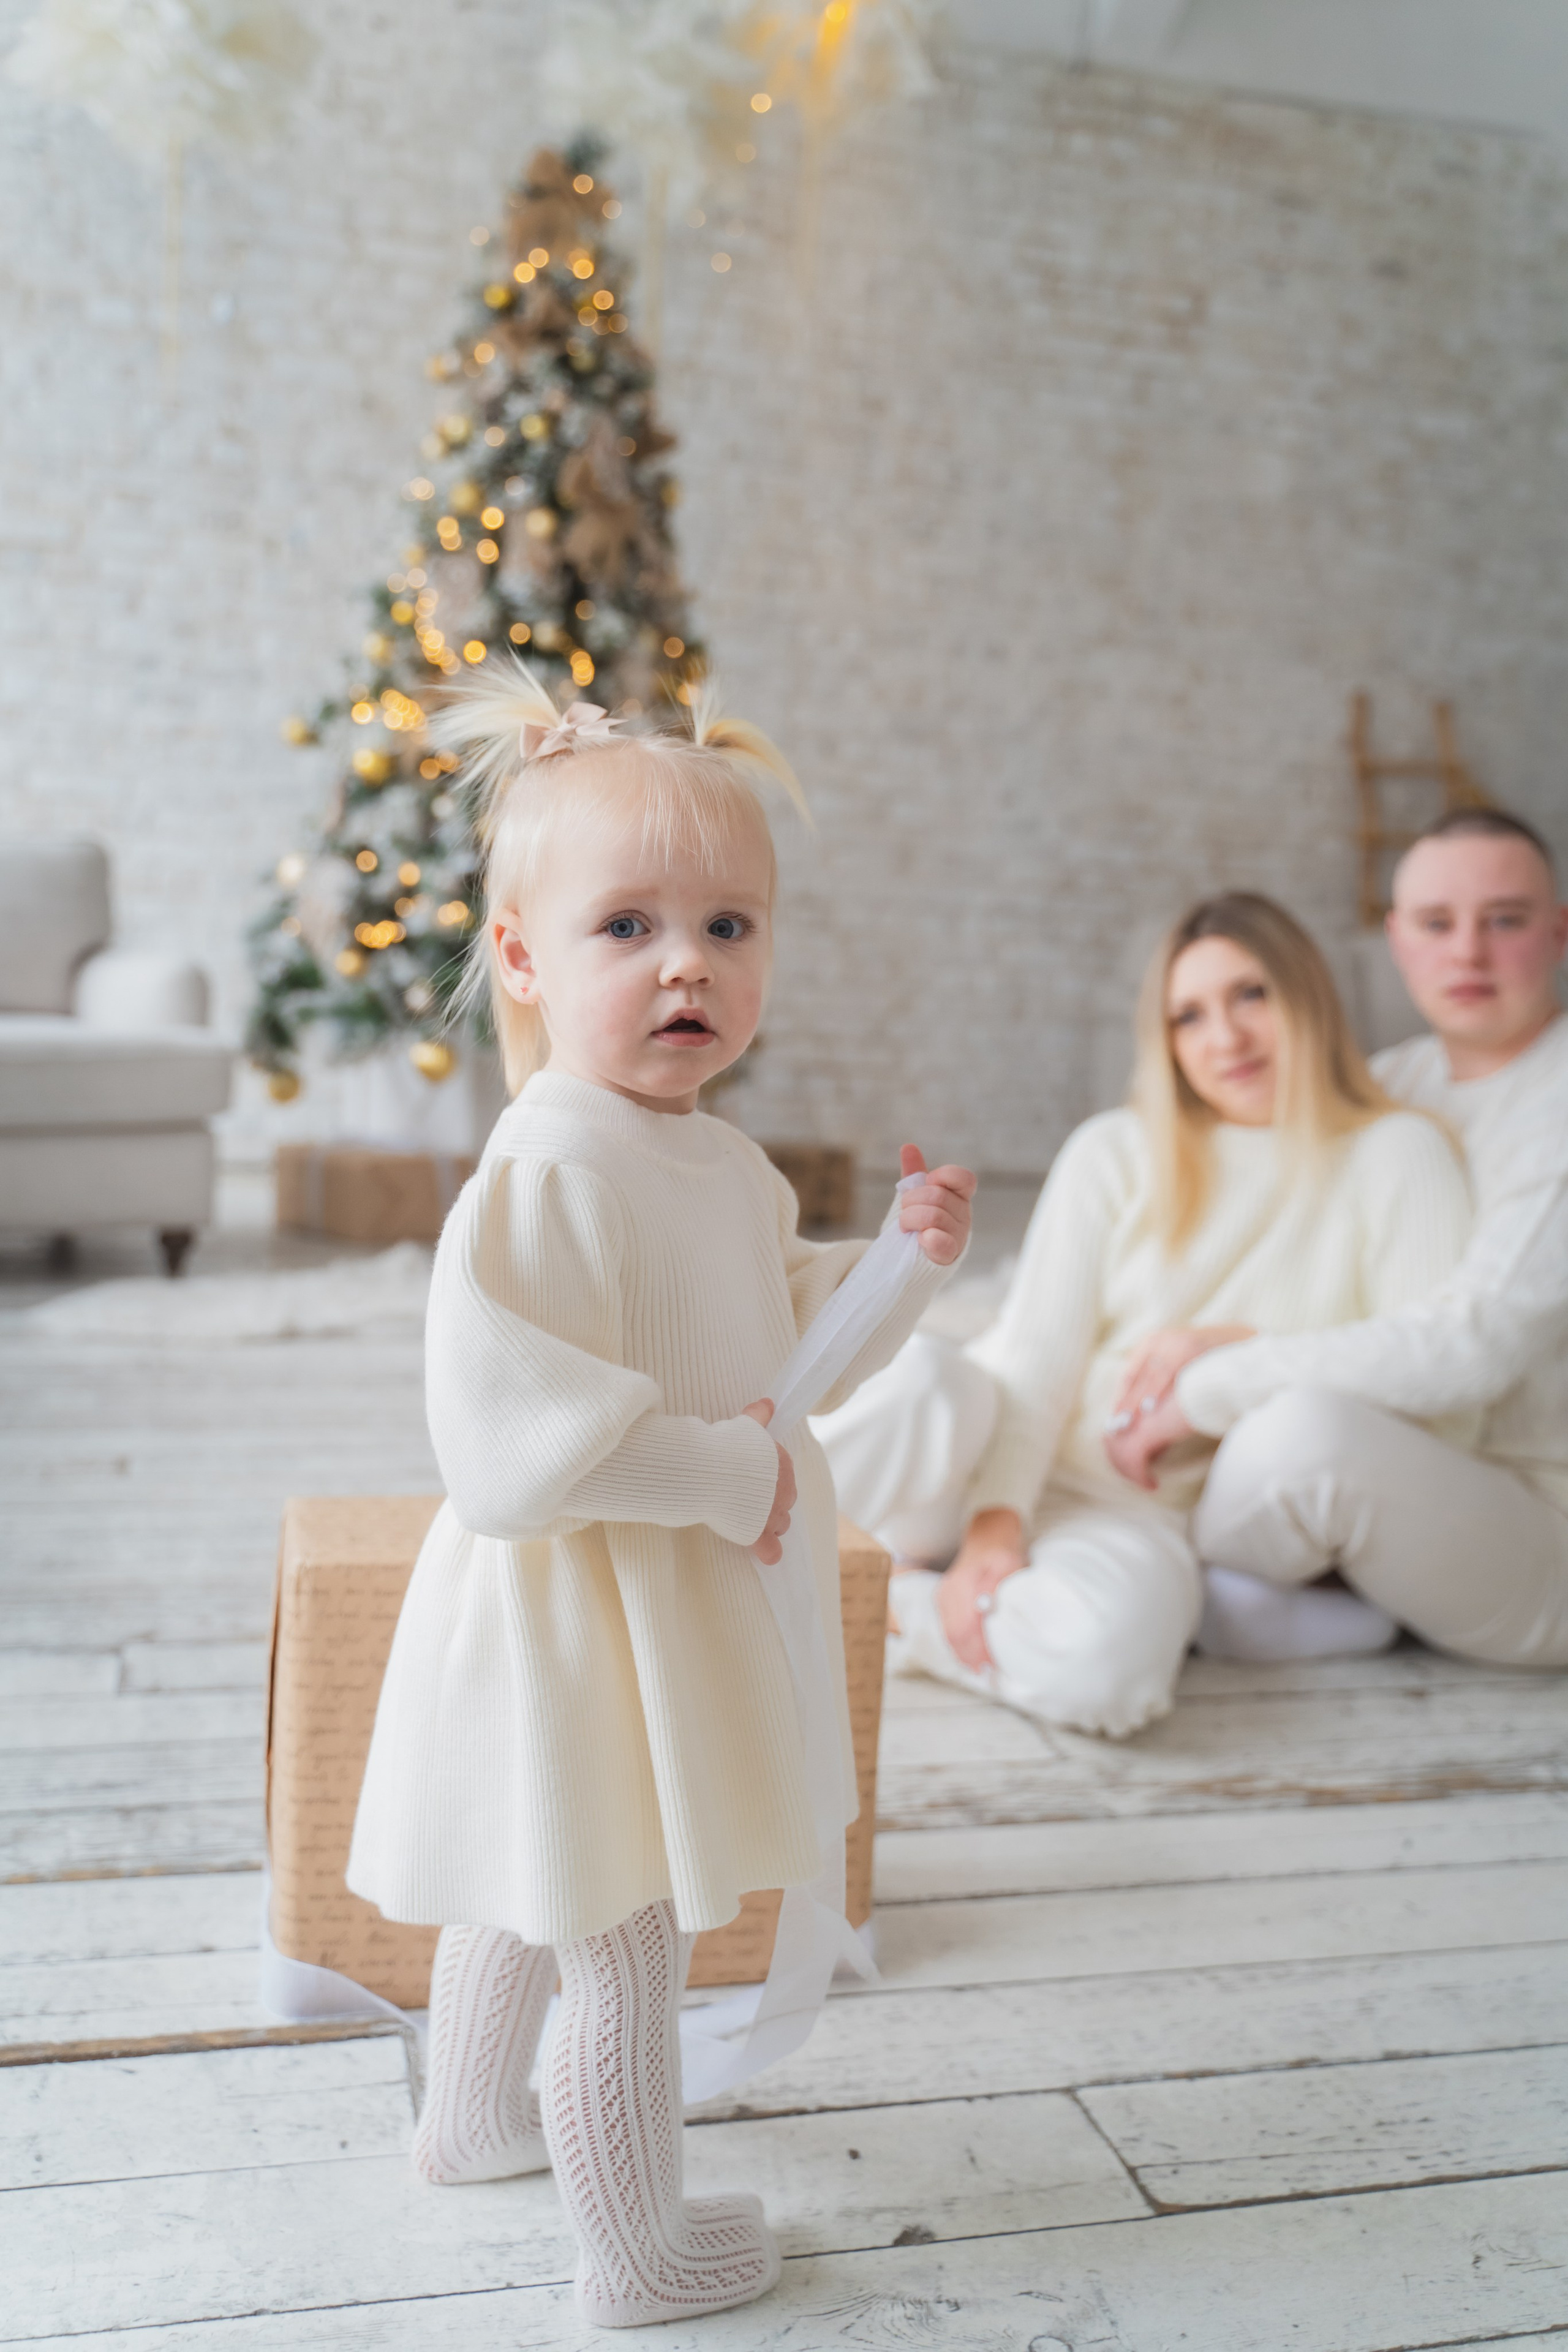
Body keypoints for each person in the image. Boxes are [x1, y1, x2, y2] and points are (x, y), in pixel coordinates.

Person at [346, 674, 974, 2329]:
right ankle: (638, 2251)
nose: (688, 962)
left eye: (728, 923)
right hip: (574, 1609)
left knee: (532, 1877)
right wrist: (727, 1470)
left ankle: (473, 2121)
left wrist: (897, 1268)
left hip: (652, 1599)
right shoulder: (553, 1165)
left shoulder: (717, 1156)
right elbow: (513, 1439)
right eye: (627, 924)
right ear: (531, 959)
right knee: (618, 1923)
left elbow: (783, 1336)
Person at [815, 891, 1471, 1738]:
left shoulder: (1399, 1156)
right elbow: (1039, 1362)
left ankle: (893, 1604)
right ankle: (718, 1566)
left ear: (1308, 995)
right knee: (929, 1385)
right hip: (990, 1449)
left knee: (1111, 1674)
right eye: (1187, 1017)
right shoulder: (1116, 1149)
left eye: (1251, 995)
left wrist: (1250, 1347)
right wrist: (993, 1527)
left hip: (1134, 1509)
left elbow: (1427, 1379)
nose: (1225, 1038)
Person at [1109, 807, 1568, 1670]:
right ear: (1398, 940)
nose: (1467, 952)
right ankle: (1236, 1589)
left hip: (1541, 1530)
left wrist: (1211, 1382)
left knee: (1299, 1437)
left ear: (1558, 932)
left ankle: (1158, 1573)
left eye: (1504, 920)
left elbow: (1472, 1348)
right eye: (1438, 923)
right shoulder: (1395, 1081)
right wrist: (1228, 1340)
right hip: (1424, 1471)